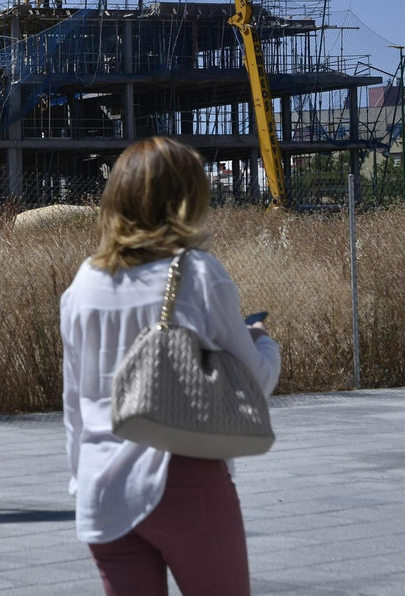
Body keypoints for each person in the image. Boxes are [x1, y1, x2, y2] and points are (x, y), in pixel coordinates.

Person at [61, 136, 279, 596]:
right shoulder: (198, 273)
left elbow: (74, 402)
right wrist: (265, 342)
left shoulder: (83, 283)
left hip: (101, 483)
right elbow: (253, 382)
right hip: (182, 475)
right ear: (188, 200)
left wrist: (81, 481)